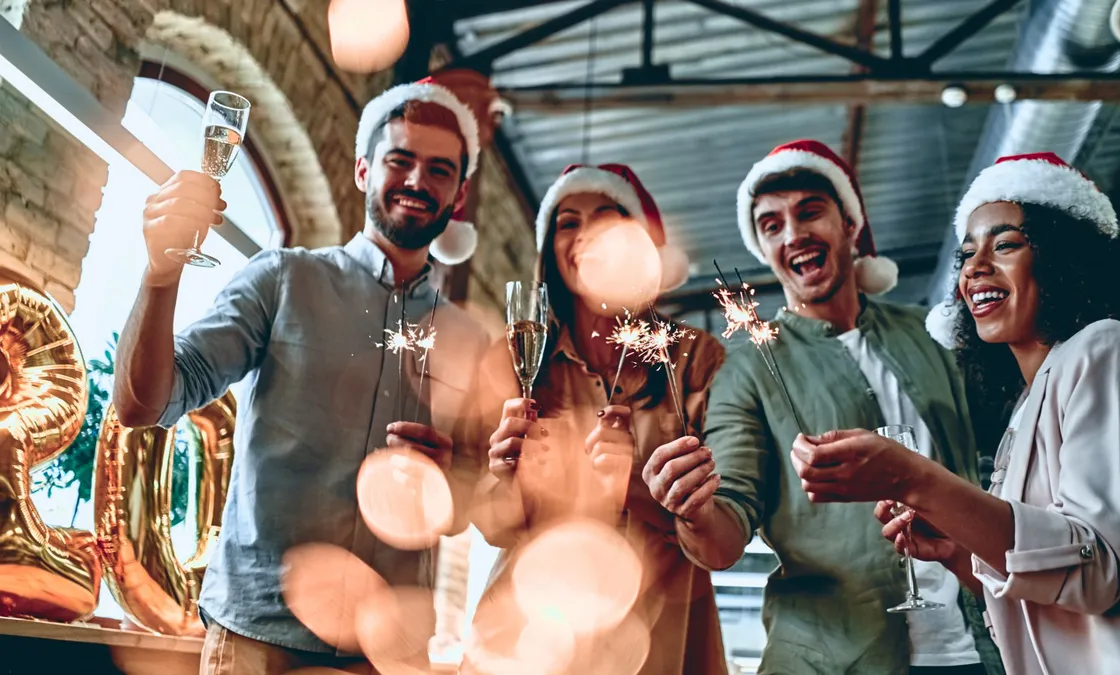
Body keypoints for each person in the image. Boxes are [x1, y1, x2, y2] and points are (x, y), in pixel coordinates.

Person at [113, 78, 490, 675]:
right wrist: (160, 276)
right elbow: (146, 404)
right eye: (401, 160)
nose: (419, 181)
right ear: (364, 170)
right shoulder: (282, 279)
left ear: (459, 196)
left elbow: (474, 506)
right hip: (258, 638)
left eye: (440, 170)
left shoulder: (473, 341)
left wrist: (452, 481)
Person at [793, 152, 1120, 674]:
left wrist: (914, 479)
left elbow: (1093, 569)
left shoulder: (1108, 348)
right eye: (966, 255)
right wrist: (957, 551)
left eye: (1005, 244)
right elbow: (1045, 588)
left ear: (1062, 259)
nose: (974, 268)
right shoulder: (1027, 407)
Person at [643, 140, 1004, 674]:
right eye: (771, 225)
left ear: (851, 226)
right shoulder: (748, 369)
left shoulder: (934, 334)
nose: (794, 234)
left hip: (984, 643)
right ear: (764, 248)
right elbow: (725, 536)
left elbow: (1000, 465)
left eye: (810, 211)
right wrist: (693, 510)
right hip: (833, 656)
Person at [465, 164, 728, 674]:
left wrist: (637, 483)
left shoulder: (694, 359)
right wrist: (503, 478)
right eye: (567, 222)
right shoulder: (511, 359)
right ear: (550, 250)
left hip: (660, 635)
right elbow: (491, 526)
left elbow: (726, 519)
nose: (586, 232)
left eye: (607, 215)